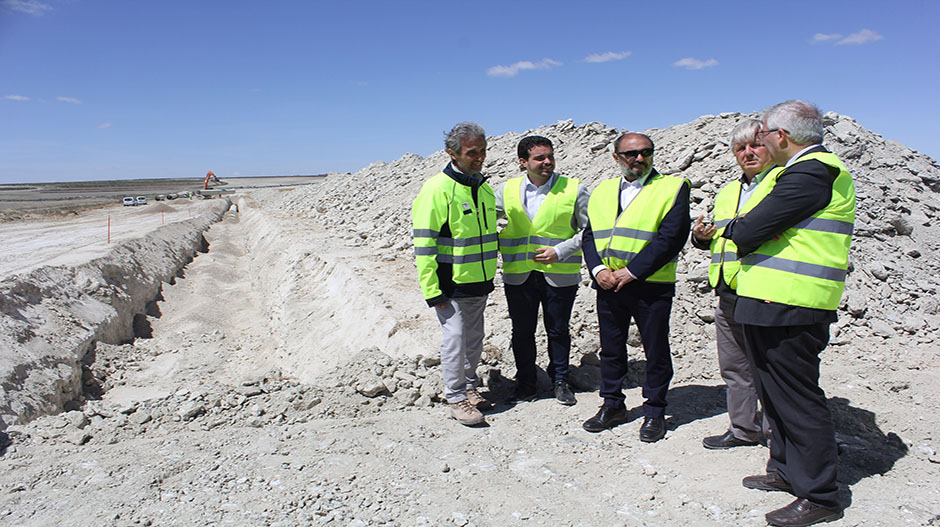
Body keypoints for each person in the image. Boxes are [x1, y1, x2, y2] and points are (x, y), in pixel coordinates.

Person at [723, 100, 854, 527]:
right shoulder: (795, 172)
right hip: (769, 301)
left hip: (794, 304)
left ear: (781, 136)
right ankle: (784, 469)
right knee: (774, 394)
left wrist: (743, 228)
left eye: (762, 133)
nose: (758, 141)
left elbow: (747, 230)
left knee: (797, 399)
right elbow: (754, 226)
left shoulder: (813, 171)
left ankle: (820, 495)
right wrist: (751, 226)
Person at [580, 132, 690, 442]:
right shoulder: (602, 191)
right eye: (631, 154)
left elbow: (671, 237)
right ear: (617, 157)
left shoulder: (672, 188)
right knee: (611, 349)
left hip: (651, 285)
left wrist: (632, 272)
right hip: (608, 284)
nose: (639, 159)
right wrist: (598, 269)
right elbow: (590, 235)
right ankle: (612, 403)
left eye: (645, 152)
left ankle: (655, 411)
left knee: (655, 349)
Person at [691, 119, 781, 449]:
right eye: (740, 148)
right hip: (728, 290)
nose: (748, 153)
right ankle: (743, 429)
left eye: (755, 145)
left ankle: (778, 437)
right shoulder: (729, 191)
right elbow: (721, 237)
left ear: (772, 145)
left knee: (770, 369)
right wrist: (701, 237)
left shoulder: (782, 183)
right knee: (734, 367)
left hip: (765, 291)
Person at [412, 122, 498, 426]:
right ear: (452, 153)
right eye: (472, 152)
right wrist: (432, 289)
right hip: (451, 285)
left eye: (483, 151)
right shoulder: (437, 189)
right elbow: (424, 244)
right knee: (456, 338)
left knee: (475, 338)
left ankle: (470, 385)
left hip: (480, 280)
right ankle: (456, 395)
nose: (479, 157)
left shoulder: (483, 187)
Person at [495, 135, 590, 406]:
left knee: (558, 329)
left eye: (550, 156)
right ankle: (526, 382)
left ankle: (560, 379)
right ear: (523, 162)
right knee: (521, 331)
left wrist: (559, 251)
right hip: (519, 273)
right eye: (539, 158)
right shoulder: (506, 190)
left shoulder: (574, 189)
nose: (547, 162)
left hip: (560, 273)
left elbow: (590, 230)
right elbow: (489, 223)